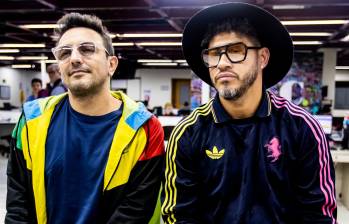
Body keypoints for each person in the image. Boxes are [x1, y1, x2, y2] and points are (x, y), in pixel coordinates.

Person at [161, 2, 336, 223]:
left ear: (262, 58)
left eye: (236, 50)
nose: (222, 63)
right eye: (214, 54)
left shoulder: (301, 128)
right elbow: (179, 216)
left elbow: (318, 214)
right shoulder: (188, 133)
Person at [6, 12, 164, 224]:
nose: (75, 58)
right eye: (64, 53)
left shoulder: (144, 129)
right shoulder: (31, 121)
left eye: (87, 49)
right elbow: (18, 207)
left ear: (112, 64)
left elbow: (134, 212)